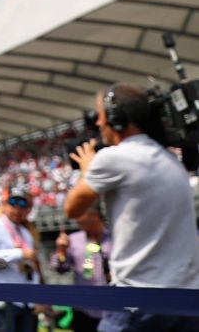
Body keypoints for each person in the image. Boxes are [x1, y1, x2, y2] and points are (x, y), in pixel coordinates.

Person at [65, 84, 199, 332]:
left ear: (116, 120)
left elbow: (73, 208)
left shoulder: (113, 158)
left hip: (138, 298)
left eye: (101, 118)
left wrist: (87, 169)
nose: (98, 125)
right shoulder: (171, 161)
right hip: (186, 298)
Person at [0, 189, 41, 332]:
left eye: (23, 205)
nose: (17, 208)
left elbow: (32, 268)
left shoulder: (26, 233)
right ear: (3, 204)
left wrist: (36, 298)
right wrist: (19, 253)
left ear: (28, 209)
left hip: (25, 300)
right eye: (13, 202)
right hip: (1, 296)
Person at [52, 205, 112, 332]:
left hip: (113, 309)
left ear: (94, 215)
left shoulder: (114, 239)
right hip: (83, 310)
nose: (76, 219)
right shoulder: (73, 239)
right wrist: (61, 250)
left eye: (80, 215)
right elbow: (60, 268)